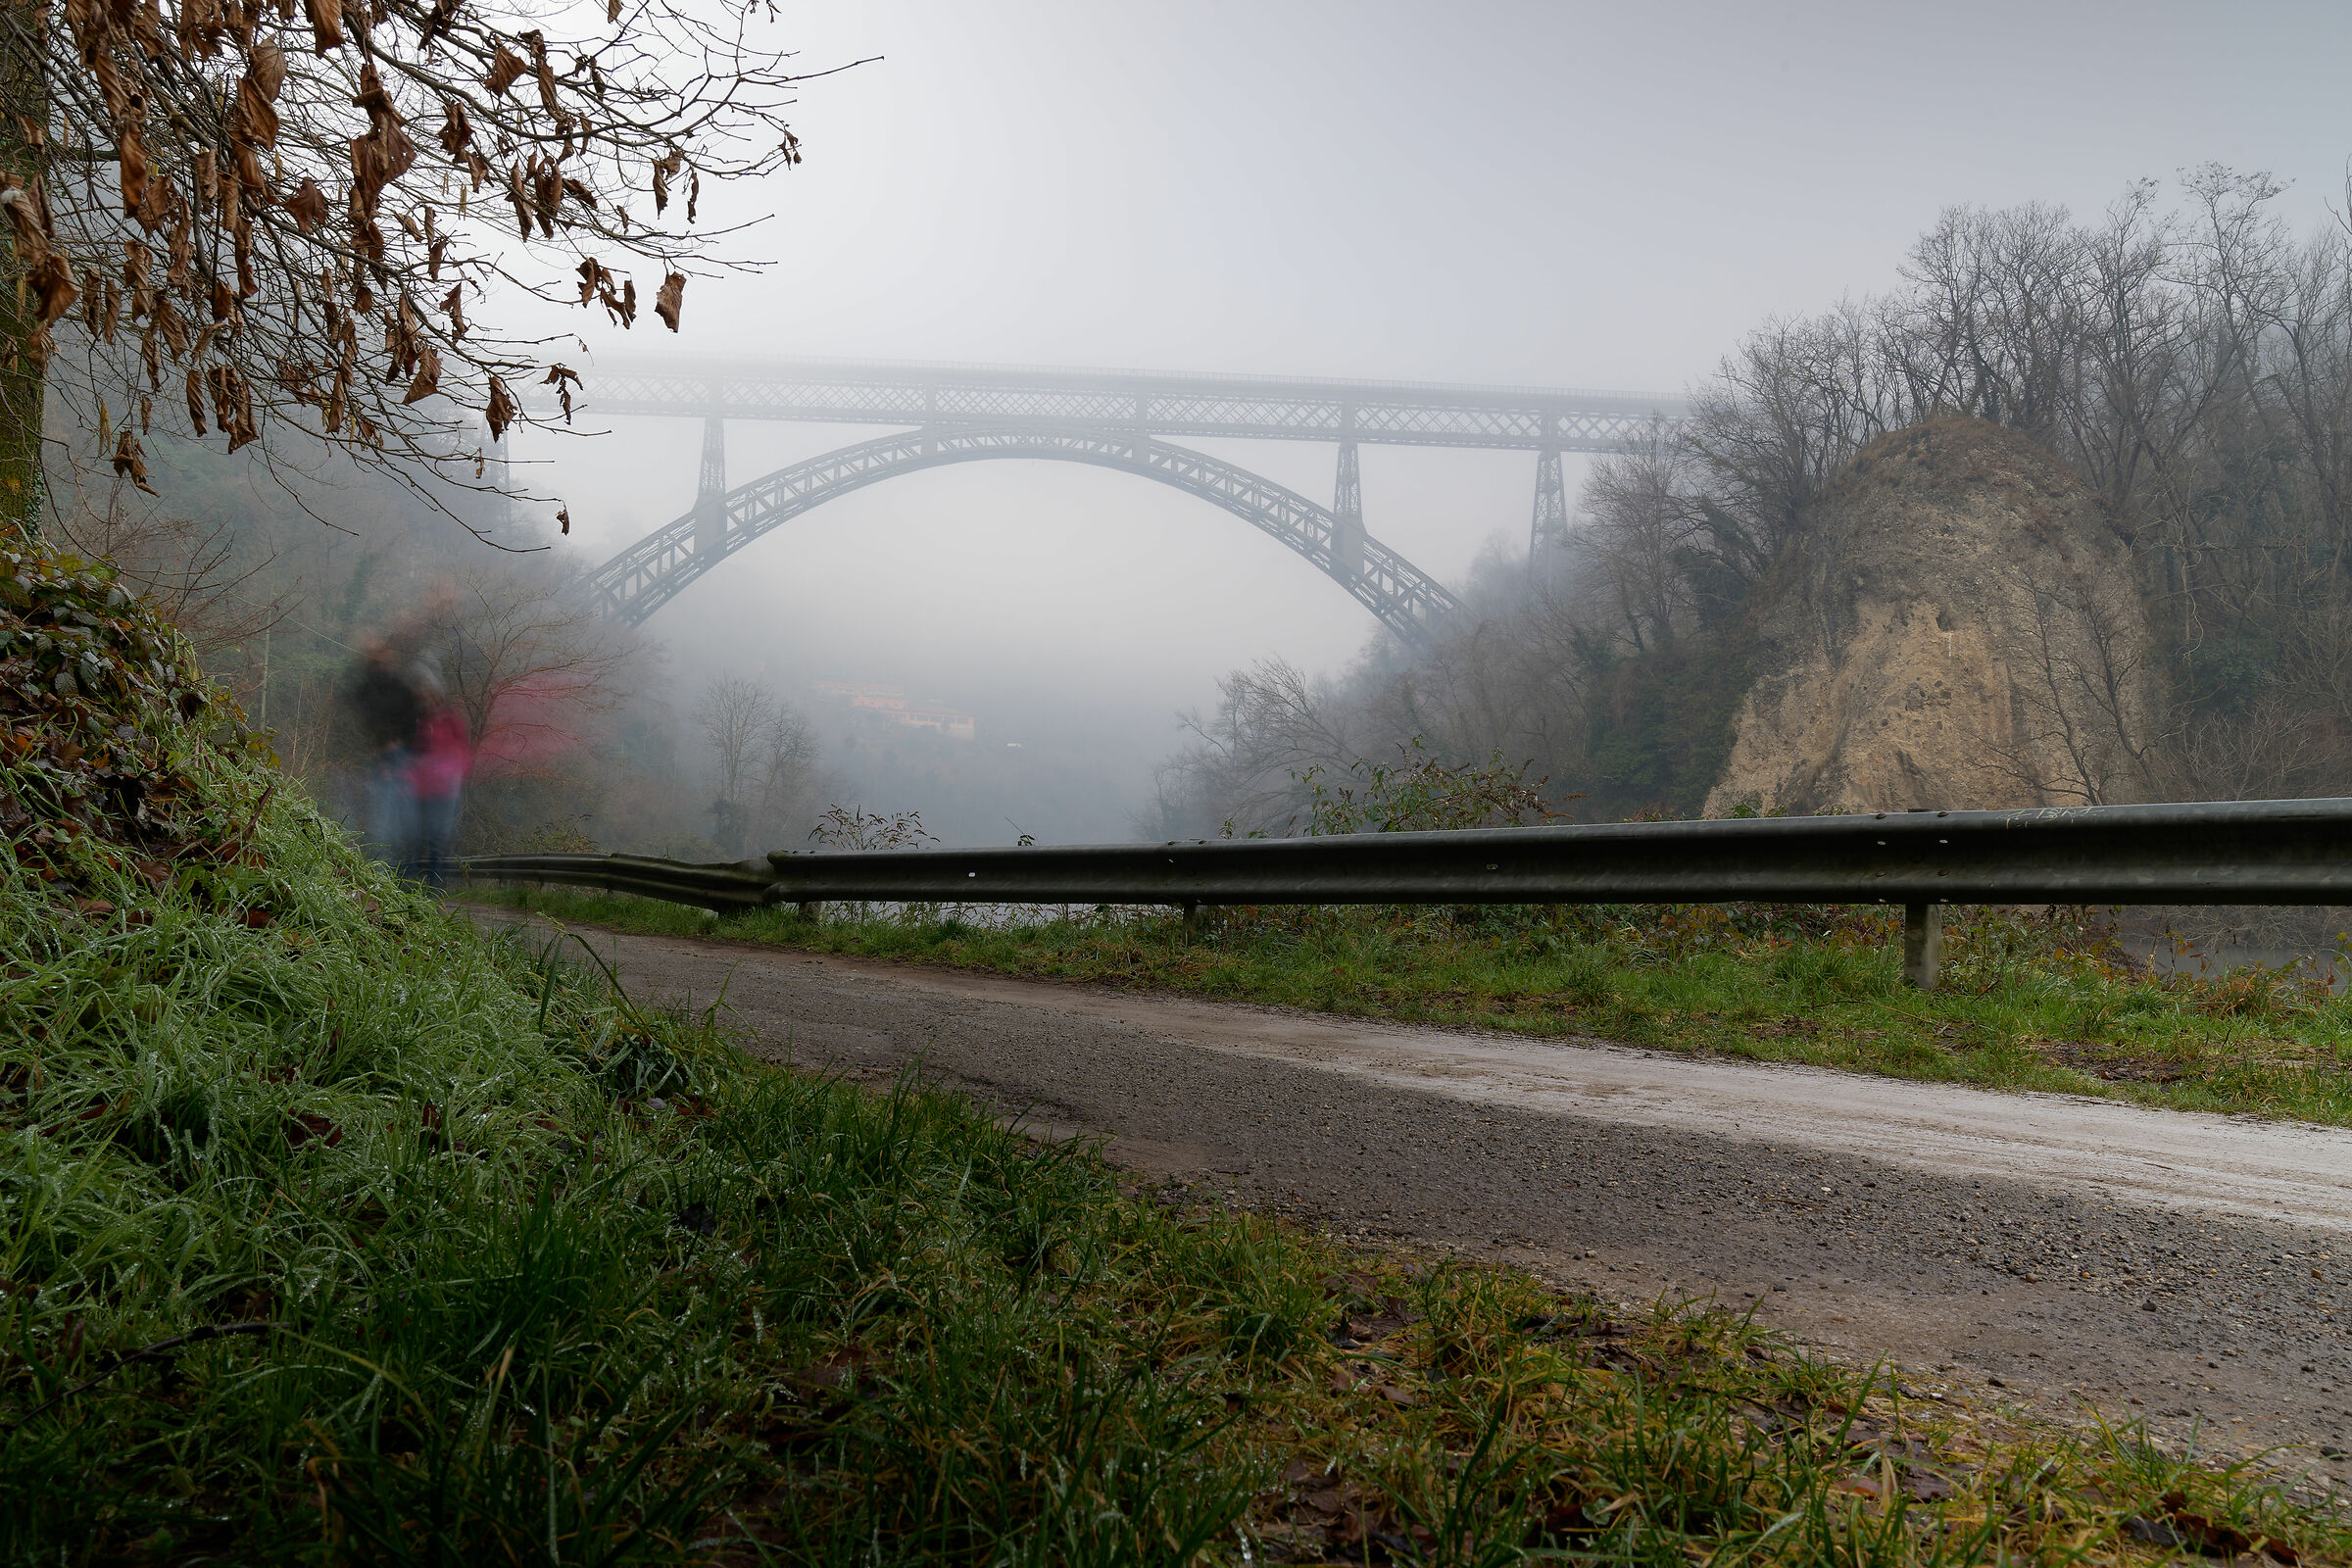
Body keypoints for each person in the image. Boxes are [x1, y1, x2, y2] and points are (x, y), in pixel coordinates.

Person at [345, 641, 420, 867]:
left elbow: (411, 725)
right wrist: (381, 753)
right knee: (382, 825)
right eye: (379, 662)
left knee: (402, 824)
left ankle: (399, 874)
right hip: (377, 763)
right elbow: (361, 724)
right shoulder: (365, 691)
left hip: (400, 761)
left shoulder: (402, 691)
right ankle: (381, 873)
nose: (383, 667)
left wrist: (396, 747)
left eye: (388, 662)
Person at [407, 661, 471, 887]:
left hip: (445, 791)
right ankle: (407, 889)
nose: (423, 693)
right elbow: (409, 753)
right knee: (413, 837)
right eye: (419, 688)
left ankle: (434, 892)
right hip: (419, 790)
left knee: (437, 840)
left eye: (426, 688)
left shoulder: (450, 719)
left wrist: (451, 771)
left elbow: (463, 753)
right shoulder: (416, 720)